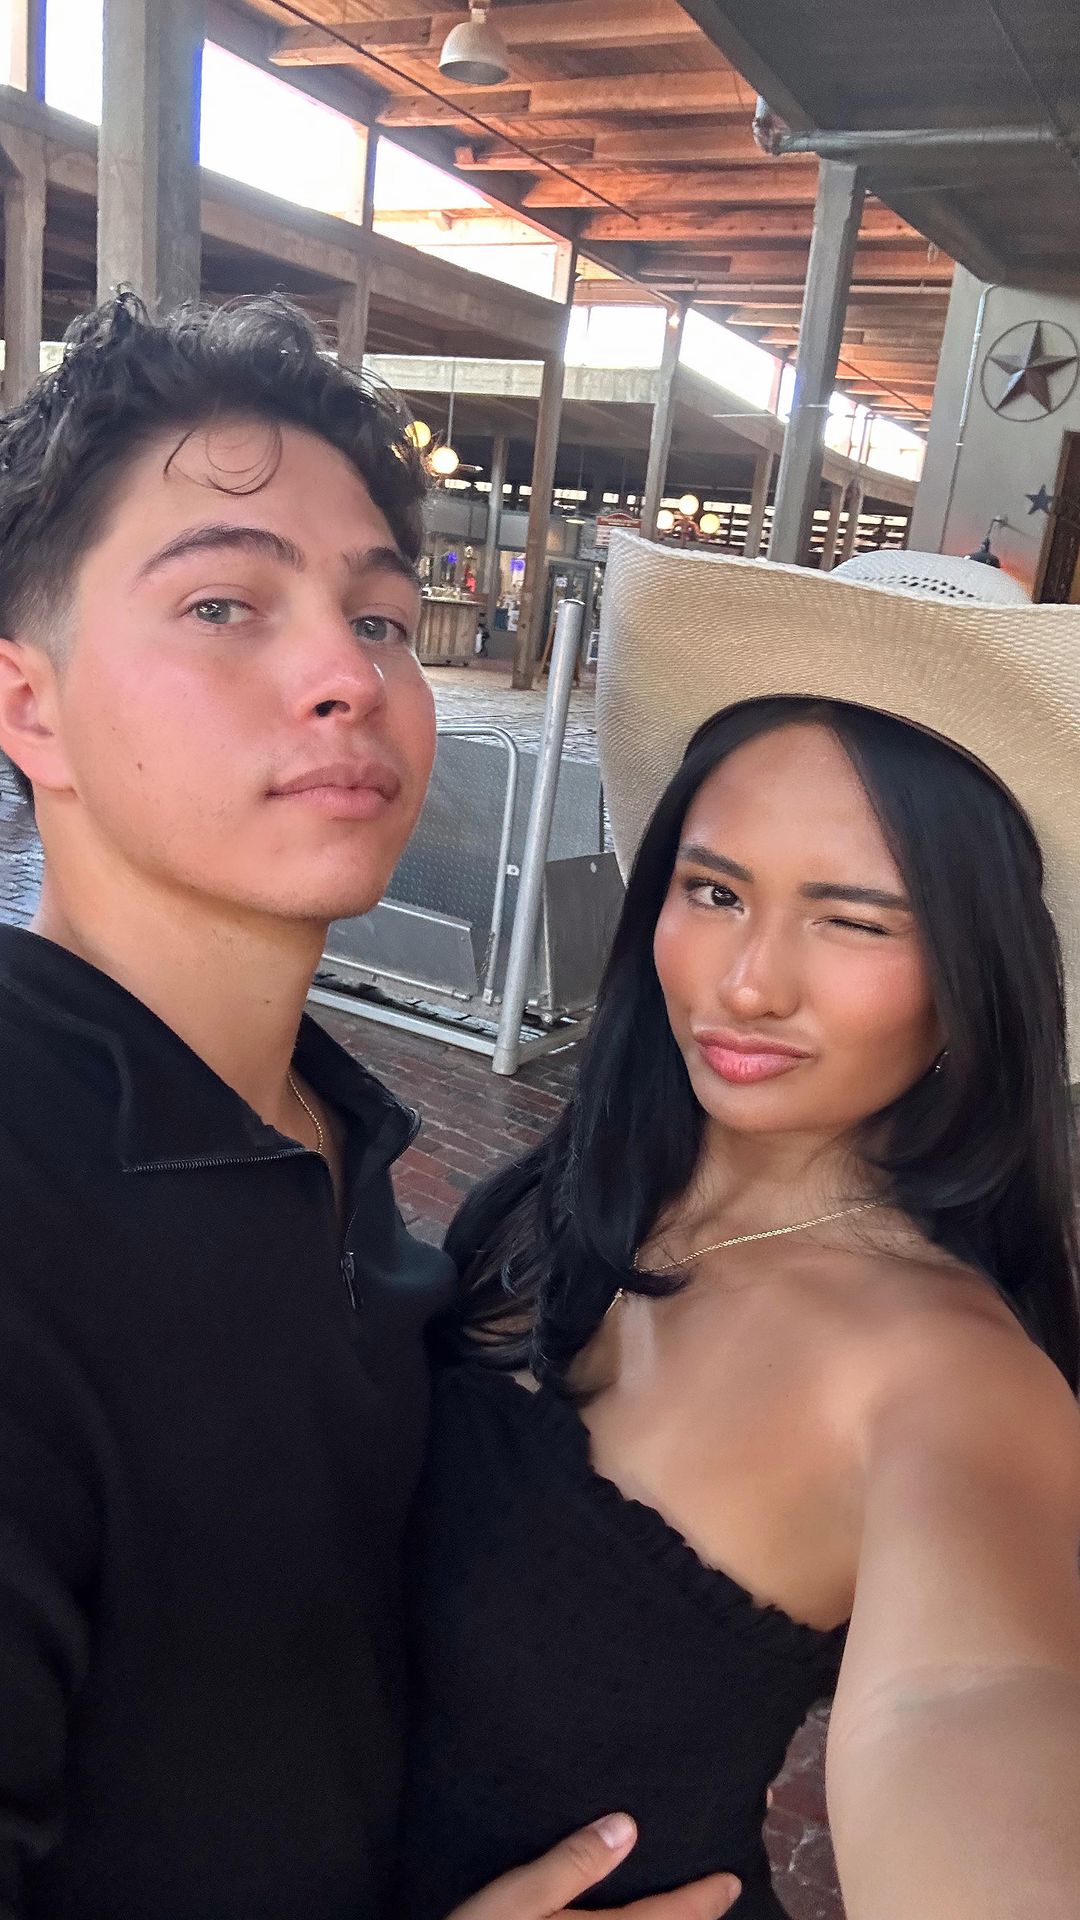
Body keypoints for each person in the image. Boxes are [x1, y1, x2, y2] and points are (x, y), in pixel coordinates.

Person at [0, 302, 743, 1920]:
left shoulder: (350, 1168)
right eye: (223, 603)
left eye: (385, 621)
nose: (349, 674)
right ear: (28, 706)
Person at [400, 535, 1080, 1920]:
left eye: (855, 921)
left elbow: (979, 1701)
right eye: (715, 892)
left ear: (976, 973)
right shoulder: (563, 1188)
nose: (749, 983)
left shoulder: (951, 1379)